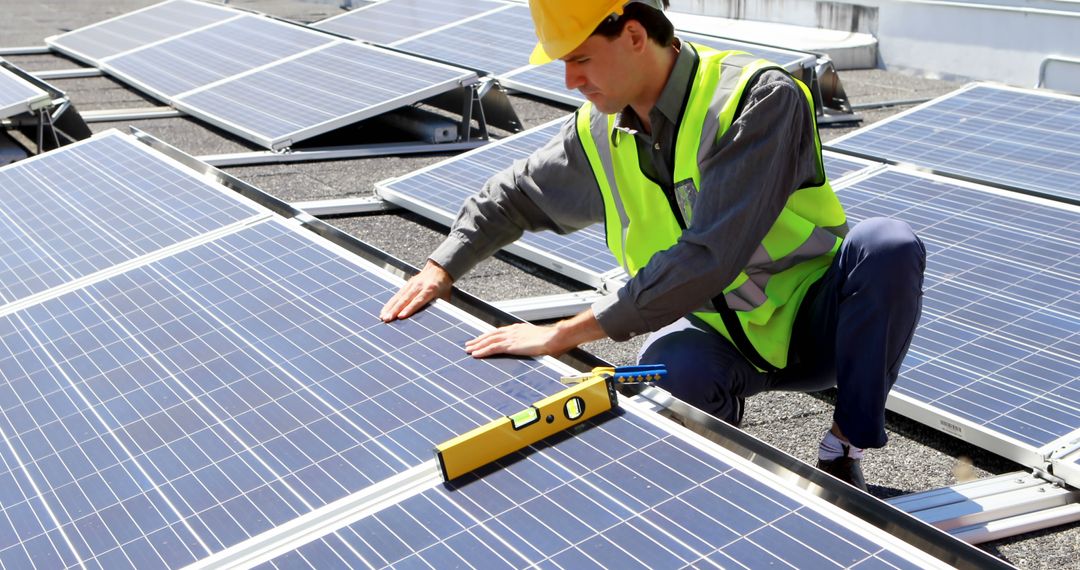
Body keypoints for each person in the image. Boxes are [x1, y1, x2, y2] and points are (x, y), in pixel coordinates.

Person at [379, 0, 925, 491]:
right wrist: (439, 268)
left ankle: (843, 446)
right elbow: (512, 195)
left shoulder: (756, 99)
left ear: (635, 35)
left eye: (581, 60)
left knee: (887, 247)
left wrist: (563, 332)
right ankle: (718, 503)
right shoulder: (599, 133)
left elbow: (712, 254)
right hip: (716, 339)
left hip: (819, 323)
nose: (570, 81)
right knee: (670, 382)